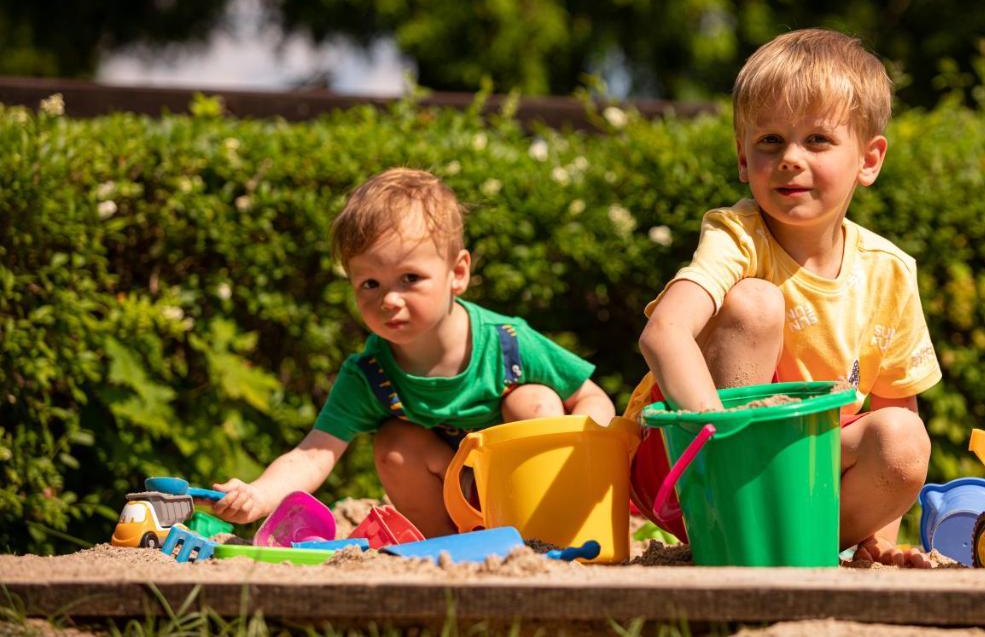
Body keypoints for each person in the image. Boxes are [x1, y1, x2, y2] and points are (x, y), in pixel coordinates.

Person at [624, 28, 942, 568]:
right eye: (769, 141)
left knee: (906, 440)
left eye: (817, 140)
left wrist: (882, 536)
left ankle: (793, 547)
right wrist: (725, 436)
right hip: (690, 455)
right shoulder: (738, 236)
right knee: (754, 303)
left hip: (793, 475)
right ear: (744, 160)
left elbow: (893, 409)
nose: (791, 157)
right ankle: (730, 528)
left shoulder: (887, 271)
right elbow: (665, 331)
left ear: (869, 160)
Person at [213, 167, 615, 536]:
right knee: (393, 444)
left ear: (457, 273)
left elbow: (591, 397)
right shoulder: (370, 374)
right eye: (370, 283)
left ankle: (542, 534)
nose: (389, 299)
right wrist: (260, 495)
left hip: (531, 495)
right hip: (454, 504)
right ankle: (451, 545)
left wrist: (582, 455)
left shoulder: (506, 343)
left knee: (536, 401)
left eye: (410, 278)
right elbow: (314, 453)